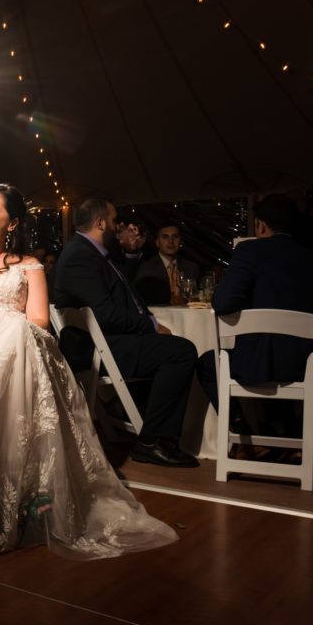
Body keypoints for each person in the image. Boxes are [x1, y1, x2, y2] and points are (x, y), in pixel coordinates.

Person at [0, 184, 178, 557]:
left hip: (16, 349)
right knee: (11, 343)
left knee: (18, 332)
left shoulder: (29, 266)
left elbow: (37, 320)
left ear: (12, 223)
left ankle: (12, 492)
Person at [54, 198, 199, 468]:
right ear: (100, 223)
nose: (117, 225)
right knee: (182, 352)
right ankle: (152, 441)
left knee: (169, 348)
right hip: (95, 348)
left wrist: (131, 254)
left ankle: (144, 422)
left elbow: (120, 290)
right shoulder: (80, 257)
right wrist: (151, 325)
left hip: (106, 341)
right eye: (113, 220)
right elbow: (107, 315)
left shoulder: (92, 252)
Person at [195, 194, 313, 431]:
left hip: (262, 366)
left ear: (261, 225)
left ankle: (241, 434)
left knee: (207, 364)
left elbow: (222, 303)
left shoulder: (250, 251)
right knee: (274, 350)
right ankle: (288, 430)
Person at [133, 224, 201, 305]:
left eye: (175, 237)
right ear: (157, 242)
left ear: (180, 242)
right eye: (165, 237)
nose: (171, 241)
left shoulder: (192, 268)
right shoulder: (146, 269)